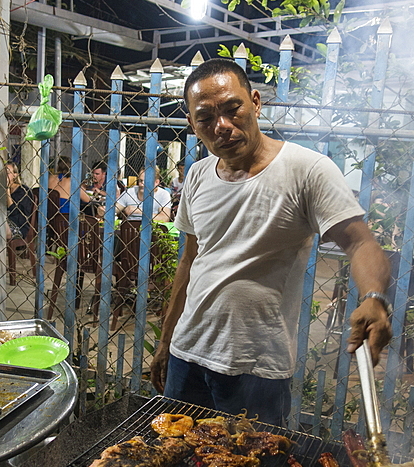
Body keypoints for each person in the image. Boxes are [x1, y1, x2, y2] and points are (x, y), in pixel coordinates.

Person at [149, 58, 392, 426]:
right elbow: (190, 261)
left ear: (256, 102)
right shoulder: (198, 175)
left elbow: (360, 243)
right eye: (206, 119)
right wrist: (166, 342)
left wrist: (373, 298)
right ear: (192, 125)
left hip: (256, 367)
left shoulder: (307, 170)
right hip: (187, 355)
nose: (223, 127)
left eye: (233, 109)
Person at [5, 162, 34, 241]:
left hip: (19, 225)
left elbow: (14, 212)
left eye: (7, 173)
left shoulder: (23, 191)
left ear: (15, 175)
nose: (5, 175)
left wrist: (7, 191)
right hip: (4, 221)